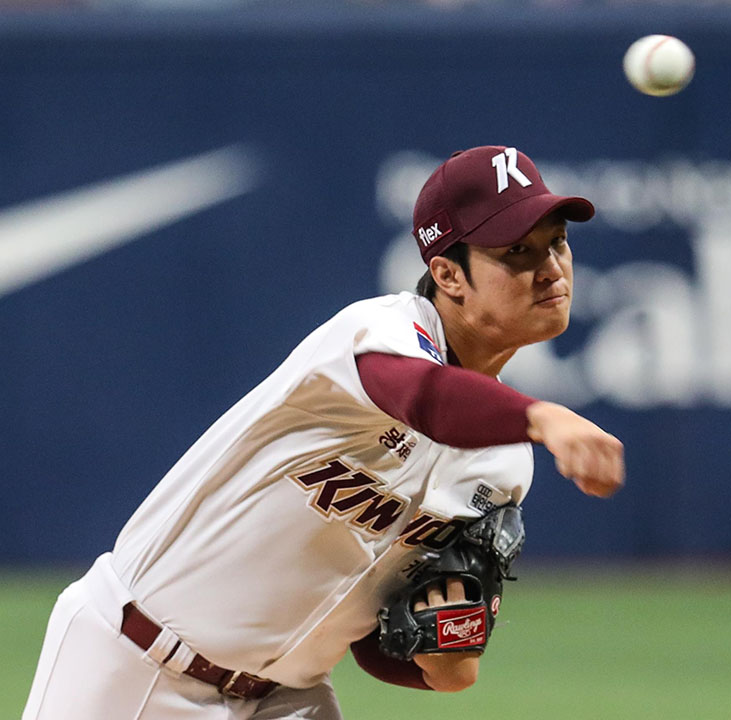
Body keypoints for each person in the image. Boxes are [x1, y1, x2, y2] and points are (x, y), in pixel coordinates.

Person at [22, 145, 625, 719]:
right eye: (517, 251)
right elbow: (423, 396)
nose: (550, 269)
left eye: (558, 244)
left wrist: (438, 662)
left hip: (286, 696)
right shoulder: (378, 332)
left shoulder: (502, 467)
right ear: (448, 273)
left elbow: (367, 628)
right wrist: (543, 416)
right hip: (133, 659)